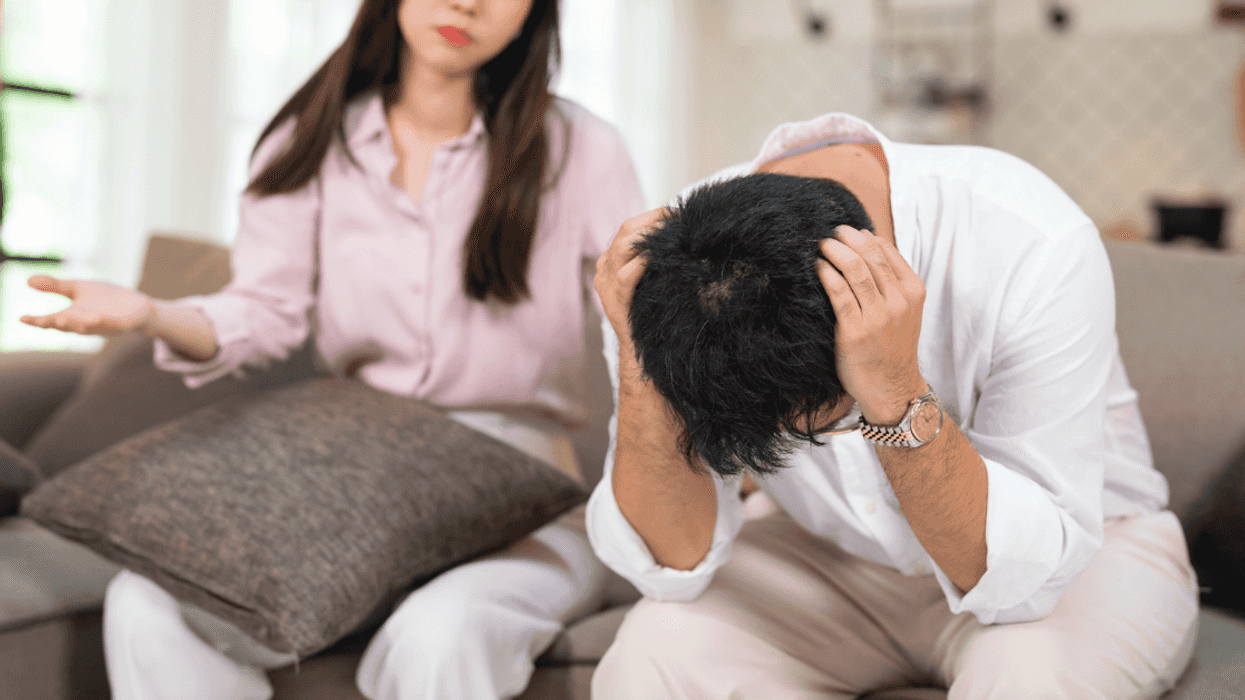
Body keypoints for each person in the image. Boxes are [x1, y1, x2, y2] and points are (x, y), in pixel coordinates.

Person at [21, 0, 645, 698]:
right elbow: (265, 312)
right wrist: (152, 314)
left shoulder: (581, 145)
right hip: (356, 489)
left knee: (442, 633)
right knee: (150, 601)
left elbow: (647, 310)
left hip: (527, 496)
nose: (466, 3)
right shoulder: (310, 140)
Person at [587, 112, 1198, 699]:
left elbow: (1023, 586)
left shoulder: (1029, 238)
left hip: (1079, 554)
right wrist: (642, 360)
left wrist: (891, 388)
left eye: (832, 423)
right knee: (650, 659)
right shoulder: (678, 276)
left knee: (1027, 682)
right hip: (830, 559)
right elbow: (670, 564)